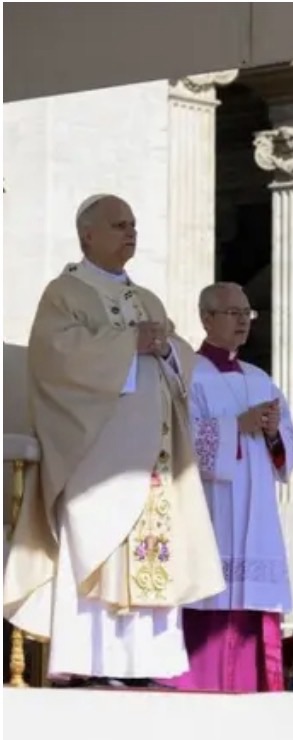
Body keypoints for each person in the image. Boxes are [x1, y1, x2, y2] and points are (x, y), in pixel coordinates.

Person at [3, 194, 225, 686]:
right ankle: (89, 662)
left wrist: (166, 349)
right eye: (119, 225)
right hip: (96, 454)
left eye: (134, 225)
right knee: (96, 549)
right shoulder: (65, 293)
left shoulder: (147, 299)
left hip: (154, 457)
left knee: (151, 553)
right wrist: (130, 344)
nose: (131, 232)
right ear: (87, 234)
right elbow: (55, 357)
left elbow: (178, 357)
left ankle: (144, 664)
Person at [167, 282, 293, 692]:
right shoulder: (188, 373)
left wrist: (274, 431)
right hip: (213, 507)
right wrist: (234, 427)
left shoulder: (260, 378)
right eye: (233, 313)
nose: (244, 320)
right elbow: (177, 437)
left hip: (257, 507)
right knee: (209, 593)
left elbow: (292, 443)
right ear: (207, 318)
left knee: (252, 601)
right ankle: (200, 682)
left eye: (248, 313)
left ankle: (253, 685)